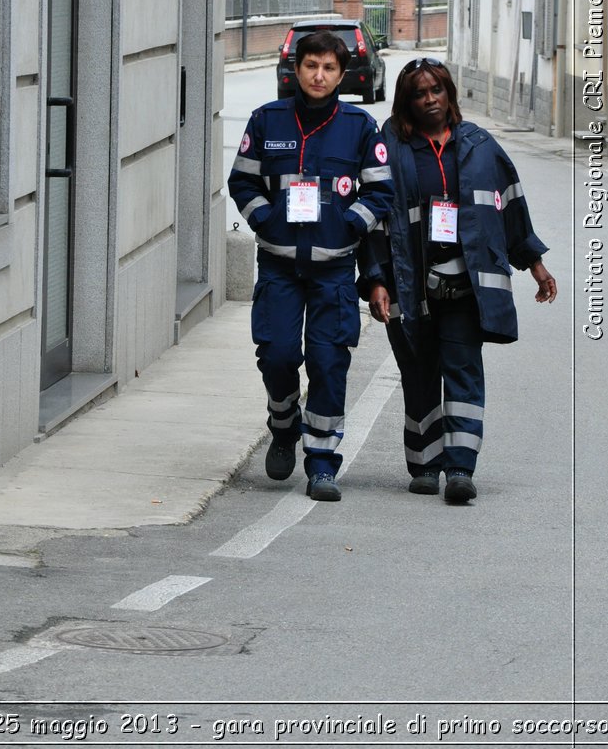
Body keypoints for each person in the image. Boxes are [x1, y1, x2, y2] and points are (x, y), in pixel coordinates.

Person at [359, 57, 557, 504]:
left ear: (449, 93)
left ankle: (461, 468)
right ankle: (425, 465)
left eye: (436, 91)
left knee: (463, 370)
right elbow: (373, 223)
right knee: (419, 371)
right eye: (419, 94)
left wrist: (535, 265)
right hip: (409, 280)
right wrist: (374, 280)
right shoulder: (388, 146)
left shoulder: (480, 145)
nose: (429, 100)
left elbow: (511, 210)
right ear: (406, 101)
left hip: (466, 284)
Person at [228, 31, 394, 501]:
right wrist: (267, 219)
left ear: (342, 75)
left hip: (334, 270)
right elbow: (243, 182)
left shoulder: (360, 127)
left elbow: (380, 192)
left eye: (328, 68)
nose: (318, 75)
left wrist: (348, 227)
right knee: (278, 354)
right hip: (279, 267)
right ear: (296, 69)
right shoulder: (266, 120)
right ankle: (284, 425)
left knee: (328, 363)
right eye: (310, 66)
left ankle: (322, 463)